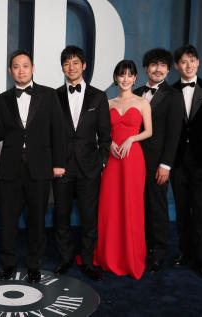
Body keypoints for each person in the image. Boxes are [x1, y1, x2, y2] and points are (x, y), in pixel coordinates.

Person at [0, 49, 65, 283]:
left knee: (37, 220)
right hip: (10, 168)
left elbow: (58, 131)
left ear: (32, 68)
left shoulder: (49, 95)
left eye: (25, 66)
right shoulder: (2, 99)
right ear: (11, 71)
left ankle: (34, 265)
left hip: (41, 167)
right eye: (16, 66)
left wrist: (58, 163)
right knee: (7, 219)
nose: (21, 70)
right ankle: (8, 263)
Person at [52, 45, 111, 281]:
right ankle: (65, 259)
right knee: (61, 215)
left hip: (89, 168)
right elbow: (49, 133)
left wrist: (101, 163)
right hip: (62, 167)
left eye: (76, 62)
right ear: (62, 67)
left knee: (89, 217)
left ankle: (87, 261)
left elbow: (105, 136)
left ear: (84, 66)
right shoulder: (53, 96)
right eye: (67, 63)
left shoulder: (99, 96)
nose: (71, 67)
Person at [94, 60, 152, 279]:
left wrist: (131, 140)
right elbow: (101, 132)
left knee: (131, 206)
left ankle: (130, 256)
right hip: (112, 158)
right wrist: (110, 144)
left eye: (130, 75)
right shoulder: (107, 103)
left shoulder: (143, 102)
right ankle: (108, 255)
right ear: (116, 78)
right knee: (109, 205)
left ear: (135, 78)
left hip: (133, 158)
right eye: (121, 75)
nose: (126, 79)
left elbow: (149, 131)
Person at [170, 45, 202, 279]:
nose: (188, 65)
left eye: (192, 60)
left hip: (201, 159)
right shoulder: (171, 92)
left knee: (199, 209)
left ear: (198, 62)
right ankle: (185, 254)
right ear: (176, 65)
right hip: (177, 160)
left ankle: (201, 260)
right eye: (183, 61)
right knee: (181, 209)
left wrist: (197, 142)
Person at [133, 48, 185, 273]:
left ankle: (158, 252)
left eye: (163, 65)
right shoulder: (134, 91)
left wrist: (166, 164)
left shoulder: (173, 95)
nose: (158, 69)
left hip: (157, 163)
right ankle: (140, 248)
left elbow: (175, 133)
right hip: (134, 161)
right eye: (153, 65)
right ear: (146, 68)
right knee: (138, 206)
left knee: (157, 207)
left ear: (167, 68)